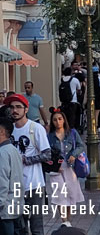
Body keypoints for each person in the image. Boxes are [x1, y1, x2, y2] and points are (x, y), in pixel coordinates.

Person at [6, 93, 51, 235]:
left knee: (36, 226)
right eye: (12, 107)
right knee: (20, 227)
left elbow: (47, 154)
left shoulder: (36, 128)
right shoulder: (7, 130)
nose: (15, 110)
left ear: (26, 109)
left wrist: (25, 160)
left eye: (18, 107)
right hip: (14, 187)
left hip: (34, 185)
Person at [46, 109, 86, 223]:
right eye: (54, 120)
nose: (57, 122)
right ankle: (64, 221)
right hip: (57, 168)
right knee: (59, 194)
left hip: (70, 166)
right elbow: (47, 152)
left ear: (64, 120)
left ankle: (68, 219)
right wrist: (53, 165)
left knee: (70, 193)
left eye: (60, 119)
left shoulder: (72, 133)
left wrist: (74, 155)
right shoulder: (50, 136)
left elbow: (80, 146)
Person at [0, 117, 23, 235]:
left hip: (5, 212)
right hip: (15, 207)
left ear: (2, 131)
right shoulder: (13, 150)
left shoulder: (3, 152)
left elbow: (2, 183)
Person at [58, 68, 82, 133]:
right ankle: (72, 130)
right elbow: (79, 89)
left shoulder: (61, 80)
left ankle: (65, 129)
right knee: (72, 117)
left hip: (64, 102)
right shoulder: (75, 80)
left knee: (65, 117)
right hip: (73, 101)